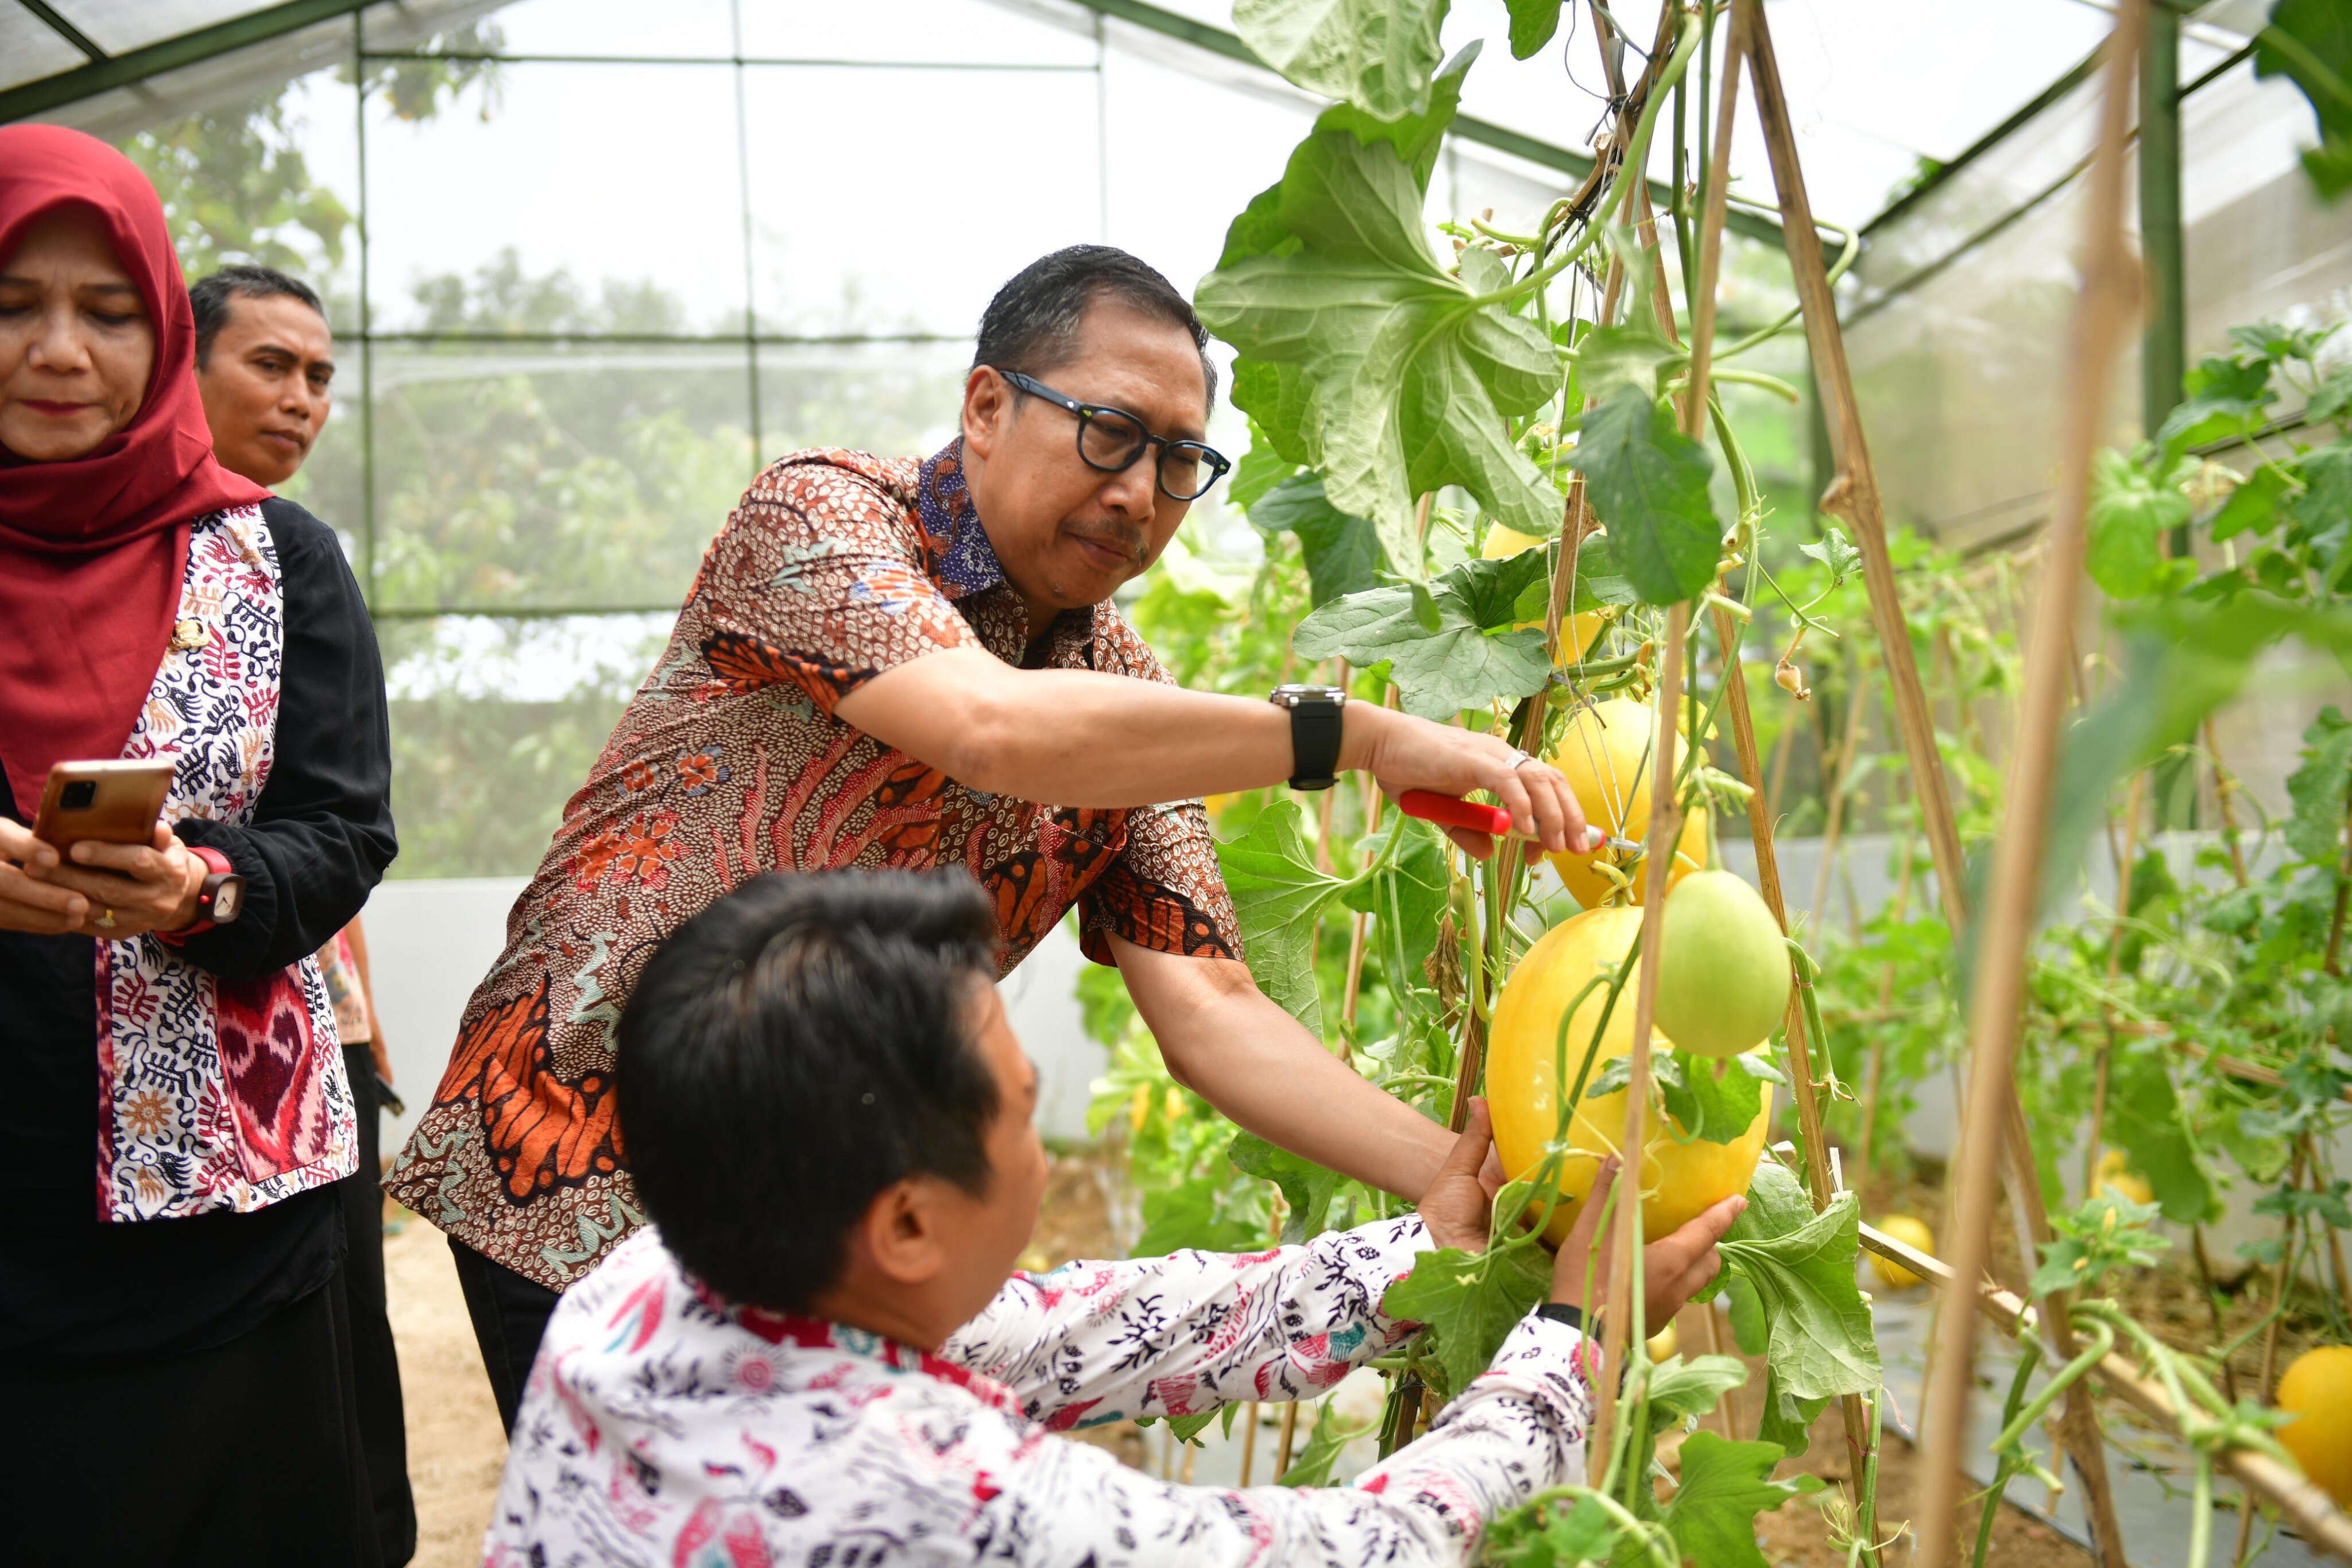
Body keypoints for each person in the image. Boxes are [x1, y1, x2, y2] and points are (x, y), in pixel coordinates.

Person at [386, 244, 1605, 1428]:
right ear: (984, 404)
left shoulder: (1121, 685)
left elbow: (1212, 1006)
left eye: (1179, 462)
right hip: (579, 1172)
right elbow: (985, 725)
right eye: (1110, 433)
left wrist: (1471, 1180)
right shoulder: (818, 518)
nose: (1137, 491)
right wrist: (1359, 739)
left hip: (836, 1220)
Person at [485, 869, 1743, 1565]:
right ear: (908, 1226)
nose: (1044, 1153)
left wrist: (1418, 1261)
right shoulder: (946, 1496)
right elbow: (1356, 1552)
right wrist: (1572, 1337)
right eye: (1022, 1115)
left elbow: (1068, 1332)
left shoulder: (641, 1288)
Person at [0, 125, 396, 1565]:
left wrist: (198, 880)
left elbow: (344, 827)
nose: (58, 351)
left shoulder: (276, 560)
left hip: (225, 1225)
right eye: (11, 304)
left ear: (156, 331)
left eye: (106, 313)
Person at [192, 259, 418, 1568]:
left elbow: (339, 825)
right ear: (188, 366)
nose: (301, 400)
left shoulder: (291, 561)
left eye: (320, 376)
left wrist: (361, 1021)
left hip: (302, 1036)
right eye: (268, 366)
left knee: (337, 1355)